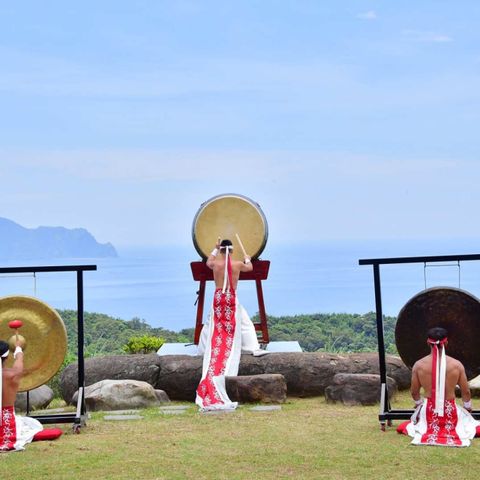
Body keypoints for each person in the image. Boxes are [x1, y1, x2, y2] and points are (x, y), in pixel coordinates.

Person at [196, 239, 267, 411]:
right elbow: (249, 268)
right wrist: (248, 258)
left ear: (221, 251)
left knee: (213, 325)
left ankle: (205, 348)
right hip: (231, 298)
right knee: (244, 325)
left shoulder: (215, 265)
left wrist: (213, 249)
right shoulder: (237, 264)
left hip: (219, 297)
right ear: (232, 251)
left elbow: (208, 262)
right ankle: (251, 345)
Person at [402, 326, 479, 446]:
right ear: (446, 342)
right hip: (451, 412)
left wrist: (418, 405)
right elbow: (466, 392)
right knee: (472, 426)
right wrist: (467, 407)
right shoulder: (457, 365)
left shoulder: (419, 365)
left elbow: (414, 392)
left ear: (428, 342)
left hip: (428, 412)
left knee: (405, 426)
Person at [0, 338, 42, 452]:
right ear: (7, 357)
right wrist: (18, 347)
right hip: (7, 419)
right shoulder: (14, 374)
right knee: (33, 426)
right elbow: (19, 358)